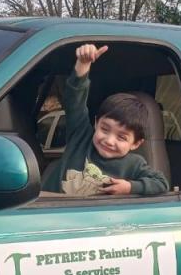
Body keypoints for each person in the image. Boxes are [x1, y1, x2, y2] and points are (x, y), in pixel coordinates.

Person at [41, 44, 169, 196]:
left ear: (135, 143)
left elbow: (161, 183)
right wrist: (83, 63)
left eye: (121, 137)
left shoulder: (134, 164)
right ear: (96, 123)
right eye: (105, 129)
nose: (109, 140)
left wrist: (129, 187)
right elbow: (74, 102)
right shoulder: (80, 138)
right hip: (51, 213)